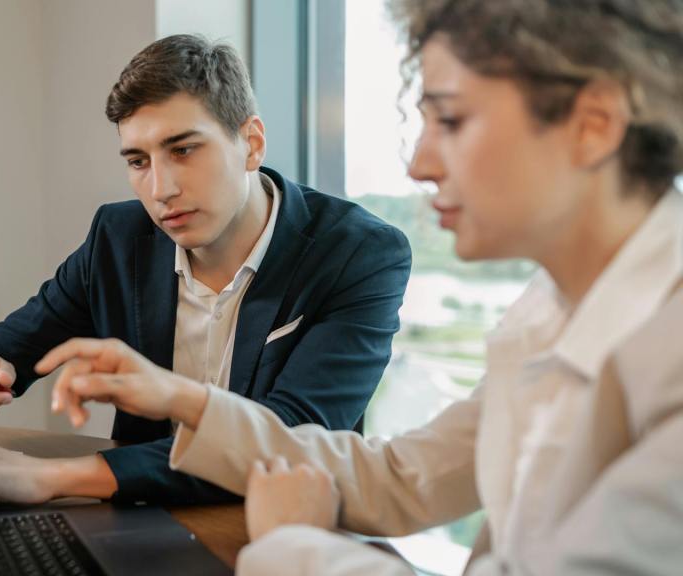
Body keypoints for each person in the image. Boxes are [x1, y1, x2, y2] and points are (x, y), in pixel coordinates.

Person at [34, 1, 683, 574]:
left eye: (451, 120)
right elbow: (403, 476)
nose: (419, 164)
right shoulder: (552, 312)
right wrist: (181, 396)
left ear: (594, 123)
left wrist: (292, 545)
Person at [0, 34, 412, 506]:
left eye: (183, 150)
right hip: (142, 523)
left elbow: (293, 437)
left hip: (289, 528)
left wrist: (56, 476)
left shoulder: (360, 254)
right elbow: (7, 346)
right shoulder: (118, 239)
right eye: (139, 161)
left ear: (251, 144)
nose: (161, 190)